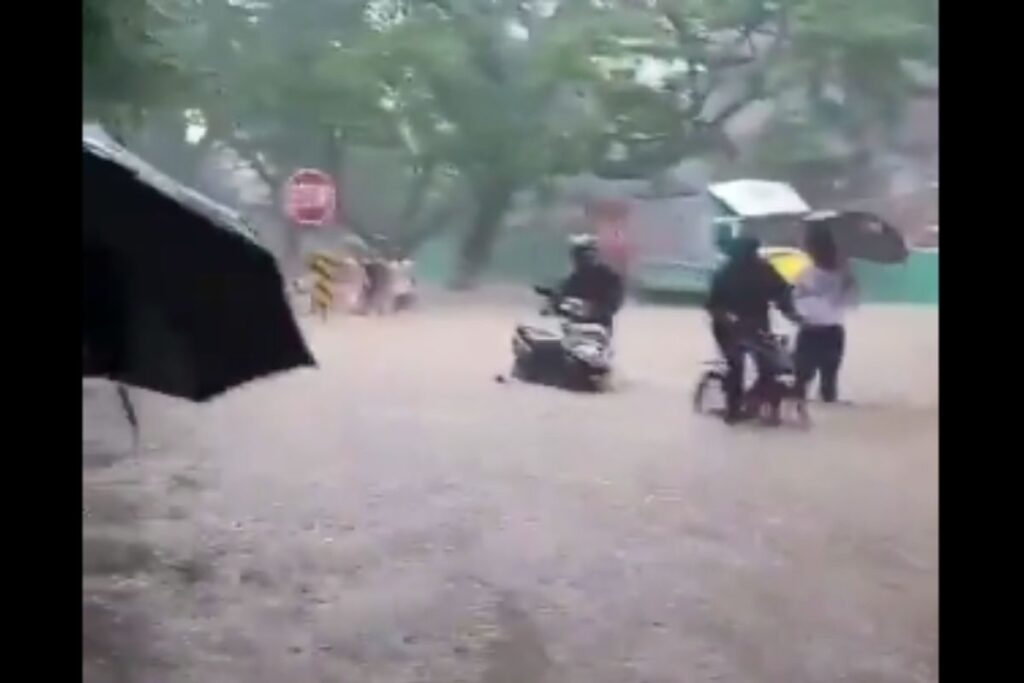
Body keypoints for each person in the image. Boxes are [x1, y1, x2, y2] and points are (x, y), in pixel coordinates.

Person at [705, 235, 802, 424]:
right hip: (729, 328)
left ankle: (753, 400)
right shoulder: (727, 273)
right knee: (736, 365)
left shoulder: (761, 271)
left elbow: (782, 295)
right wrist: (726, 320)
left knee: (769, 366)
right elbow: (713, 305)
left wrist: (793, 315)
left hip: (753, 326)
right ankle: (733, 411)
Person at [793, 224, 857, 403]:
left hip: (812, 330)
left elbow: (796, 302)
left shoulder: (806, 275)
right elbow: (850, 303)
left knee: (803, 379)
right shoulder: (843, 276)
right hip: (830, 331)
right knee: (826, 381)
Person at [557, 234, 625, 330]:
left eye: (586, 256)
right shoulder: (573, 280)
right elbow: (561, 299)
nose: (582, 260)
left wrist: (598, 309)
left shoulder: (607, 277)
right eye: (578, 257)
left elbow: (614, 300)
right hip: (574, 328)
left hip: (598, 328)